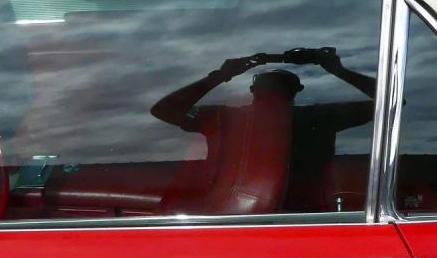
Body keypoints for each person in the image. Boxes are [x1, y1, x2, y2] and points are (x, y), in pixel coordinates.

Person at [150, 47, 376, 212]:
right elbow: (386, 102)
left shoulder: (224, 117)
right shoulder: (320, 116)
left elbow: (165, 110)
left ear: (252, 90)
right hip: (307, 216)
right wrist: (337, 70)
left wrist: (222, 75)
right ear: (297, 90)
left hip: (234, 216)